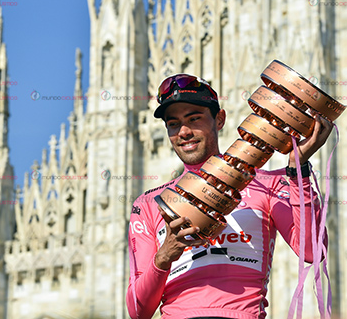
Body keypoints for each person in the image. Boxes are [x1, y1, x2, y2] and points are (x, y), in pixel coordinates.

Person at [126, 73, 331, 319]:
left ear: (219, 119)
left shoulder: (268, 184)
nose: (184, 131)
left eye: (194, 119)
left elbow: (312, 251)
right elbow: (138, 311)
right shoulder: (149, 203)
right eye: (173, 124)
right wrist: (165, 255)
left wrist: (300, 169)